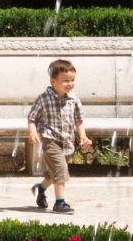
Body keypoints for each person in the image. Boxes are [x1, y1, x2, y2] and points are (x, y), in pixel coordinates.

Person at [27, 58, 92, 215]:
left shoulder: (74, 99)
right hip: (50, 140)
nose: (70, 84)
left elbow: (79, 119)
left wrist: (83, 136)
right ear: (53, 81)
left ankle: (40, 188)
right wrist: (33, 131)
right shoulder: (44, 98)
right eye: (65, 81)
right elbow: (32, 117)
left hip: (67, 141)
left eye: (72, 80)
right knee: (61, 170)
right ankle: (60, 203)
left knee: (55, 172)